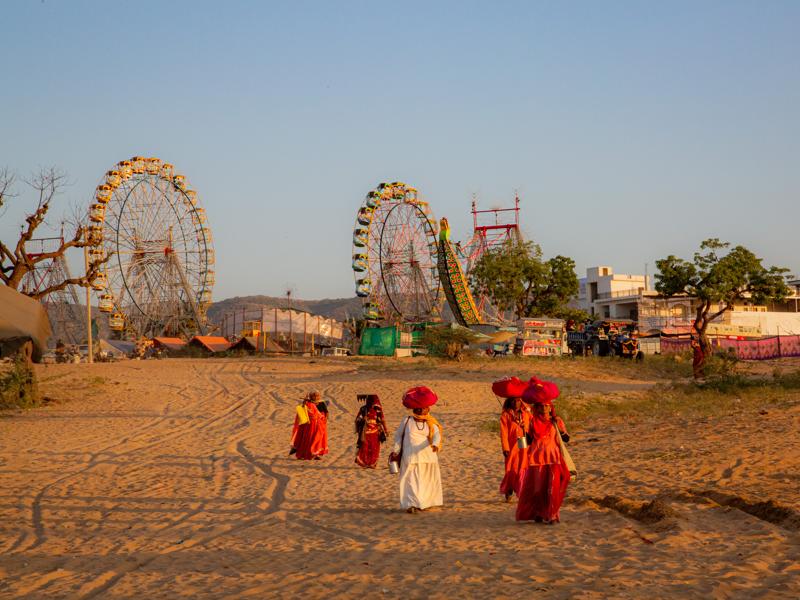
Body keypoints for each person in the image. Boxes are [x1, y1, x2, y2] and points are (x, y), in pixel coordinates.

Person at [516, 379, 571, 524]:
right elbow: (525, 443)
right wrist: (520, 430)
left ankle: (552, 515)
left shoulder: (556, 421)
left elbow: (566, 439)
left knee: (552, 489)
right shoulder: (531, 422)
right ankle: (539, 513)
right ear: (537, 408)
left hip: (553, 459)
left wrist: (560, 430)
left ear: (551, 408)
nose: (544, 409)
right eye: (541, 406)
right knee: (538, 490)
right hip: (537, 460)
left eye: (547, 406)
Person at [390, 386, 444, 514]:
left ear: (427, 409)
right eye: (420, 408)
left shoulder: (431, 422)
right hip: (410, 456)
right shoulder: (406, 421)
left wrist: (435, 444)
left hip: (428, 456)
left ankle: (425, 503)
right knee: (410, 481)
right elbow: (398, 437)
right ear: (415, 409)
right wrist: (396, 450)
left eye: (424, 408)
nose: (422, 410)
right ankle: (411, 504)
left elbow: (437, 435)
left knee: (426, 481)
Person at [499, 395, 531, 502]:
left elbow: (533, 422)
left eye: (518, 400)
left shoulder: (526, 413)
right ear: (509, 401)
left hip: (522, 441)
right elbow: (503, 433)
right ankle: (509, 489)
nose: (516, 403)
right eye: (513, 401)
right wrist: (505, 448)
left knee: (522, 464)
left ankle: (520, 489)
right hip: (511, 444)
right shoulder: (506, 415)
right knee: (510, 466)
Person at [290, 391, 329, 460]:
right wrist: (304, 403)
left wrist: (325, 420)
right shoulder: (307, 403)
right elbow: (302, 411)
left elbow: (326, 412)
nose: (316, 397)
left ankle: (316, 454)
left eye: (317, 395)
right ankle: (304, 454)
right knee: (308, 439)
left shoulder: (322, 403)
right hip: (309, 425)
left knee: (318, 439)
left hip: (319, 424)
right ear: (311, 397)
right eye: (314, 395)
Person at [354, 394, 388, 468]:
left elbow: (382, 420)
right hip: (366, 432)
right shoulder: (364, 409)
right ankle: (365, 463)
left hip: (374, 432)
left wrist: (385, 430)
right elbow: (357, 419)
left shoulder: (377, 409)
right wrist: (363, 419)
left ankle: (371, 464)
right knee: (366, 447)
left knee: (373, 448)